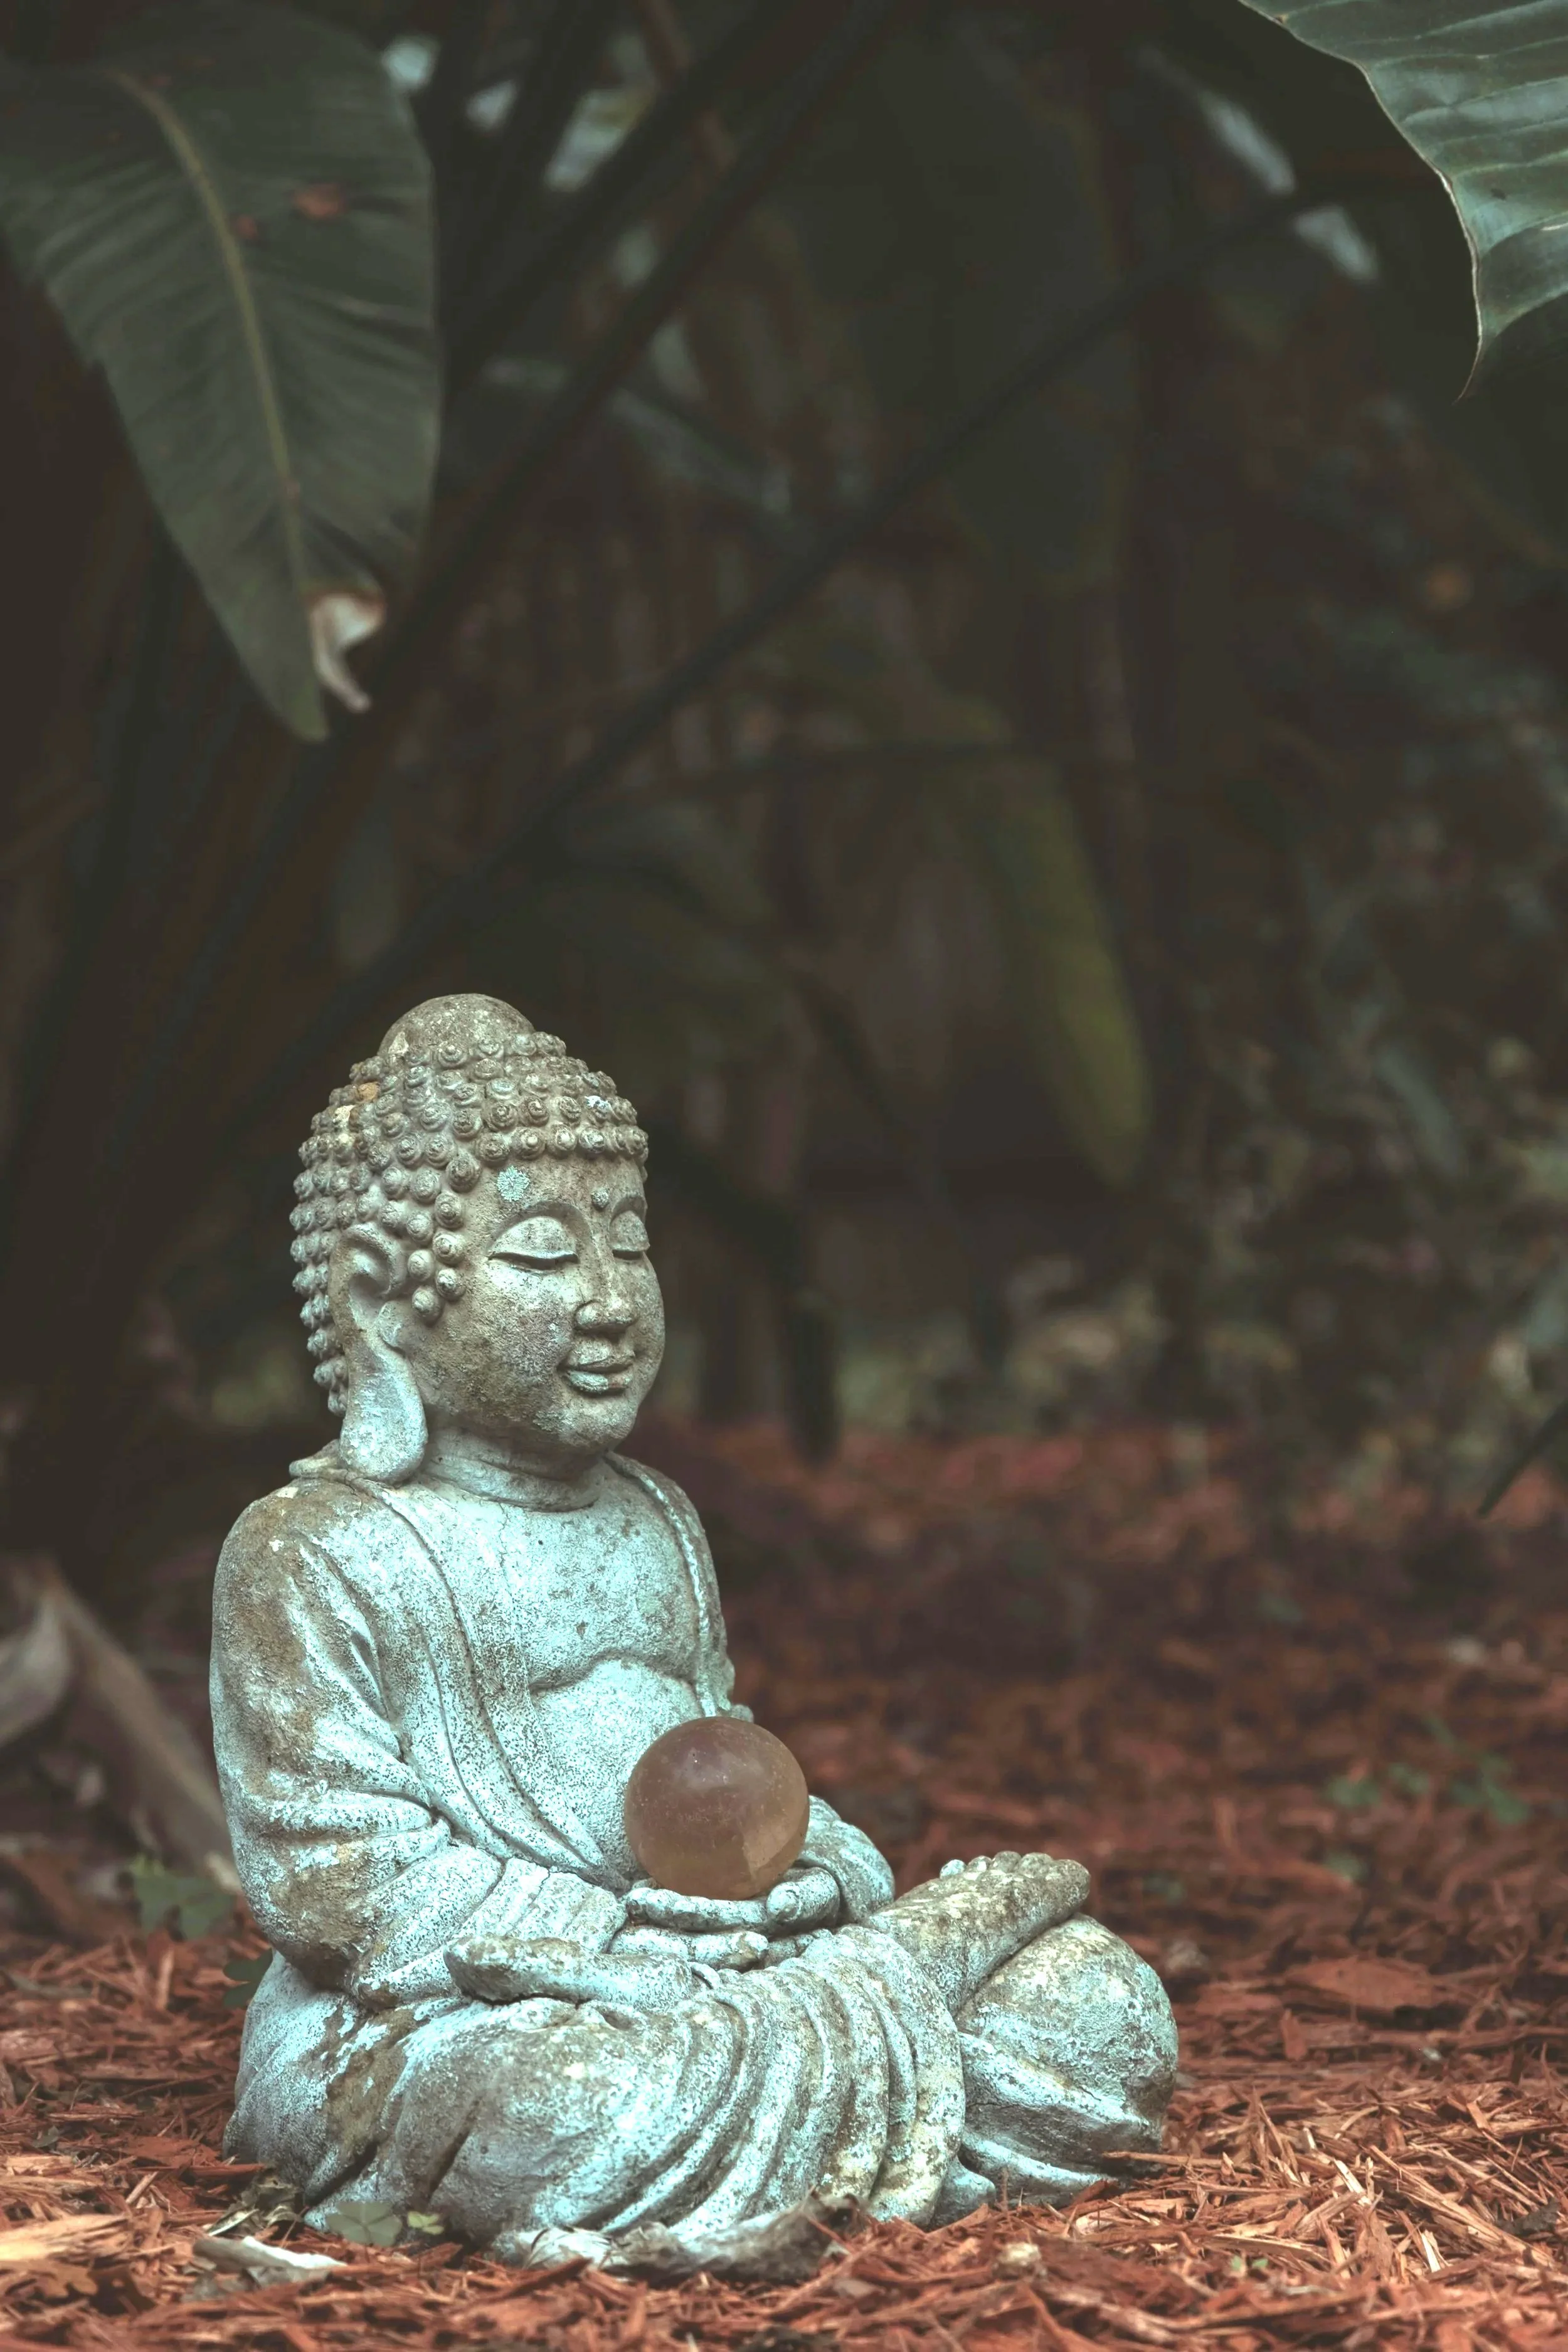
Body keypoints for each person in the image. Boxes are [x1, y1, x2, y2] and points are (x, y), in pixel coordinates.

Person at [211, 993, 1176, 2268]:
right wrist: (610, 1947)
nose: (610, 1302)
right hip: (468, 2007)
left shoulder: (655, 1521)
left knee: (1098, 2006)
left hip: (729, 1958)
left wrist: (815, 1872)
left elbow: (722, 1761)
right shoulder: (311, 1549)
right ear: (388, 1305)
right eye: (547, 1254)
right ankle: (840, 2132)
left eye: (627, 1245)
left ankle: (772, 2144)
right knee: (555, 2106)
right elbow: (333, 1881)